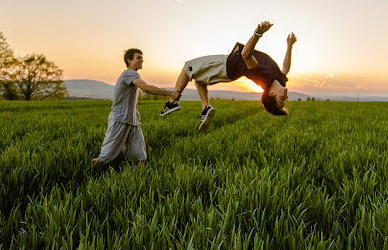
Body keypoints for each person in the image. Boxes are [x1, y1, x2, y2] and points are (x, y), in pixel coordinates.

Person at [160, 21, 297, 130]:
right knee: (200, 80)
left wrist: (257, 34)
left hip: (226, 64)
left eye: (281, 100)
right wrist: (289, 45)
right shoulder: (279, 80)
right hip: (230, 71)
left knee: (188, 67)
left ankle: (173, 102)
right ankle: (205, 108)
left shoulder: (263, 77)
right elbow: (285, 67)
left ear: (271, 94)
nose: (286, 98)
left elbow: (246, 55)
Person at [93, 48, 181, 167]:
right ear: (129, 60)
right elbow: (146, 88)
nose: (142, 60)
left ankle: (137, 180)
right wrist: (170, 93)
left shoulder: (133, 75)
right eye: (139, 57)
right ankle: (88, 174)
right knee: (105, 159)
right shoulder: (128, 73)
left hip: (133, 122)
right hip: (120, 120)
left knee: (138, 159)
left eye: (142, 58)